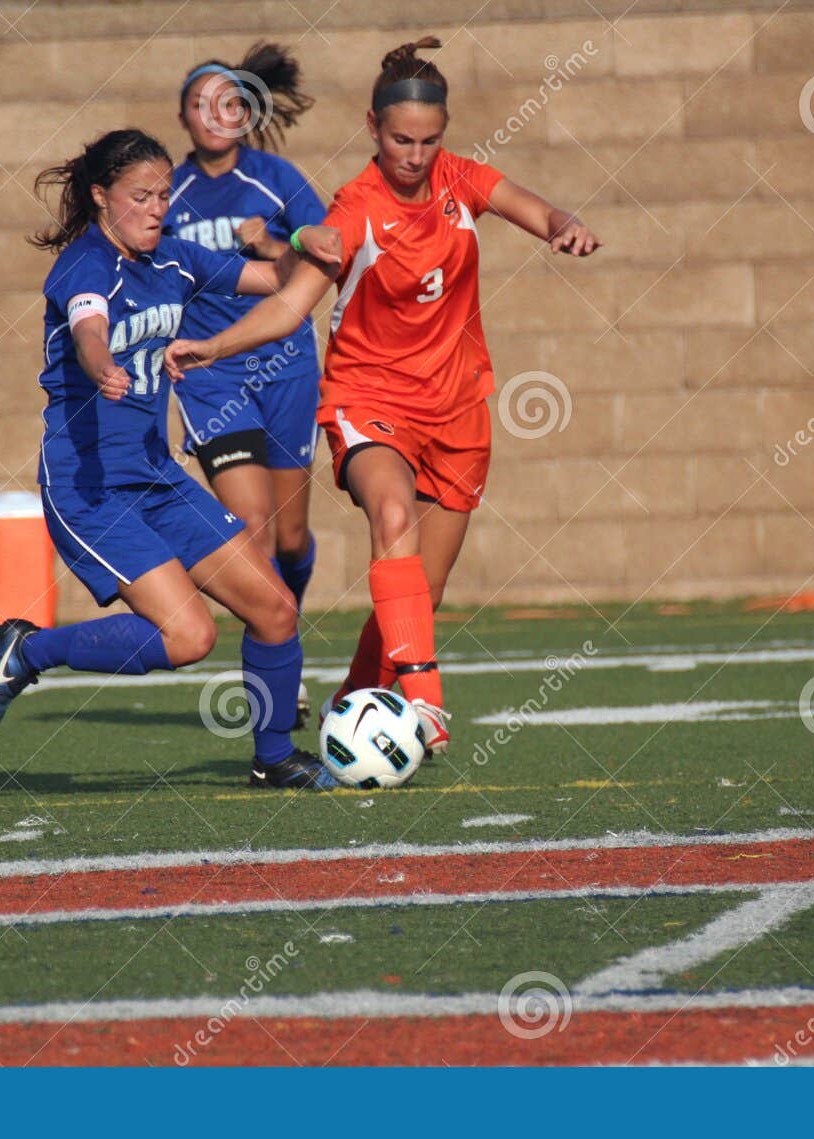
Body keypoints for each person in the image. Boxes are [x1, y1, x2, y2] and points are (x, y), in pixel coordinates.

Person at [165, 37, 600, 754]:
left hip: (458, 407)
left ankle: (353, 703)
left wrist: (566, 227)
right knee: (390, 511)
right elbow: (287, 304)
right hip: (369, 397)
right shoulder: (355, 208)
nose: (415, 155)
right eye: (401, 139)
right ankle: (426, 701)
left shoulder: (463, 180)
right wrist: (213, 345)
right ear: (373, 128)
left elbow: (539, 210)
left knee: (419, 598)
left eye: (430, 140)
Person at [0, 129, 344, 790]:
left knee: (276, 609)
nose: (156, 208)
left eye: (163, 194)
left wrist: (298, 243)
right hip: (89, 486)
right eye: (139, 196)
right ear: (100, 197)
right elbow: (90, 330)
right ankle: (32, 649)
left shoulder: (174, 259)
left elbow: (283, 293)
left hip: (156, 476)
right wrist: (103, 367)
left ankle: (273, 757)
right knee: (188, 638)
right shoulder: (85, 266)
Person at [167, 43, 326, 720]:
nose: (214, 113)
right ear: (182, 115)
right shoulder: (167, 193)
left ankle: (285, 623)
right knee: (252, 526)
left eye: (228, 101)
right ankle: (274, 688)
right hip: (211, 373)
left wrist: (276, 244)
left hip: (284, 363)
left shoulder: (275, 180)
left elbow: (327, 255)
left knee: (290, 539)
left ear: (248, 111)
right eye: (199, 102)